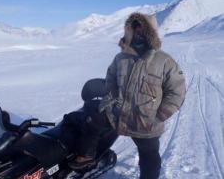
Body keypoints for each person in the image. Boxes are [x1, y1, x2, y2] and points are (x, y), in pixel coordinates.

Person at [70, 12, 186, 179]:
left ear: (150, 32)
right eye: (134, 28)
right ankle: (88, 156)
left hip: (145, 123)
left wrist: (159, 115)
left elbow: (177, 91)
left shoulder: (165, 61)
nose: (138, 32)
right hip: (119, 115)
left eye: (142, 29)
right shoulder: (120, 58)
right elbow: (110, 81)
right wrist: (108, 104)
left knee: (149, 158)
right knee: (92, 118)